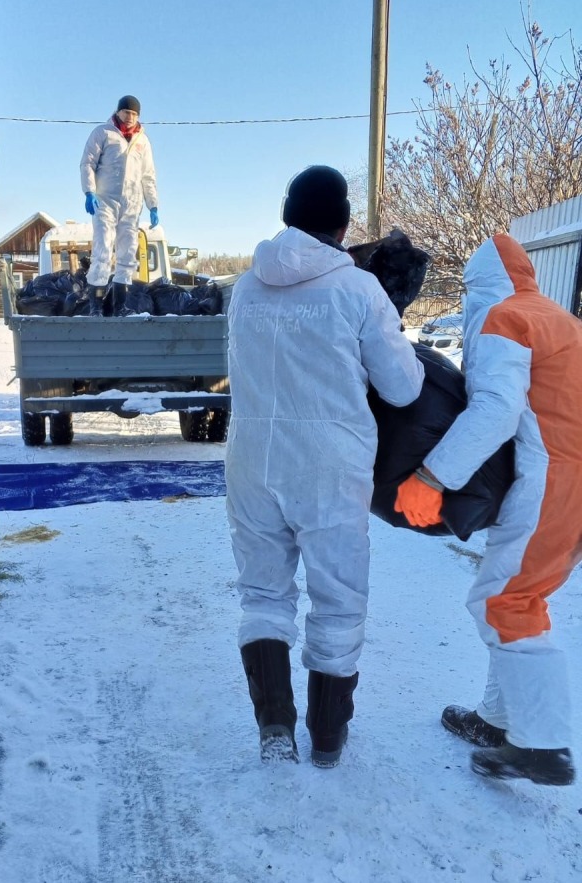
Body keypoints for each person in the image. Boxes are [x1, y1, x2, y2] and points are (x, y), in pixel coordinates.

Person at [225, 165, 424, 766]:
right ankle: (329, 739)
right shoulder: (358, 291)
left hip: (252, 461)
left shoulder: (244, 287)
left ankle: (275, 729)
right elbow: (404, 390)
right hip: (329, 467)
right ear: (342, 225)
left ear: (287, 216)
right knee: (337, 600)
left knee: (263, 594)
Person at [394, 234, 580, 786]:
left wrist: (432, 477)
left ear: (477, 285)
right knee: (516, 594)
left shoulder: (505, 318)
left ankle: (543, 745)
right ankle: (499, 721)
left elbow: (496, 409)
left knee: (506, 601)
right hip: (562, 476)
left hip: (555, 479)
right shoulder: (555, 316)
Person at [80, 95, 159, 317]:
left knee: (127, 253)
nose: (130, 117)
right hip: (105, 200)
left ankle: (120, 306)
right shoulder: (103, 133)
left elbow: (148, 176)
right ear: (118, 112)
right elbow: (87, 162)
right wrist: (89, 191)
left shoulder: (143, 141)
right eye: (127, 112)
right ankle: (95, 307)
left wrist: (153, 204)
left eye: (134, 114)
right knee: (103, 248)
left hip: (132, 204)